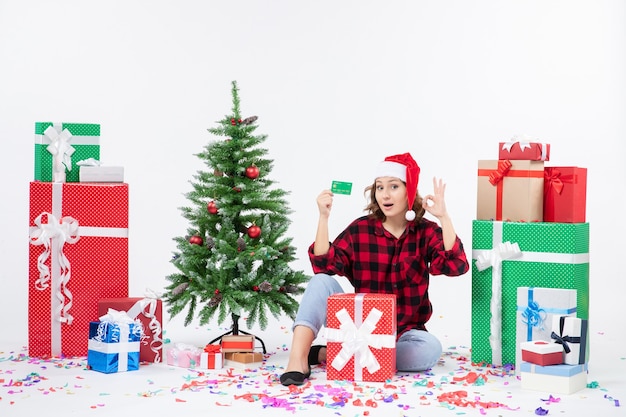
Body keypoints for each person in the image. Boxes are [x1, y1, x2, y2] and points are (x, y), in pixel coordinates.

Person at [279, 152, 470, 386]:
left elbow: (456, 265)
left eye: (393, 186)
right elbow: (323, 264)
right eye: (380, 187)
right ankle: (297, 360)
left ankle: (329, 354)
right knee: (320, 282)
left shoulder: (425, 231)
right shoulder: (361, 229)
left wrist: (444, 218)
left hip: (403, 333)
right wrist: (323, 217)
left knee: (429, 349)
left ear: (409, 191)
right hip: (356, 325)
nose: (385, 195)